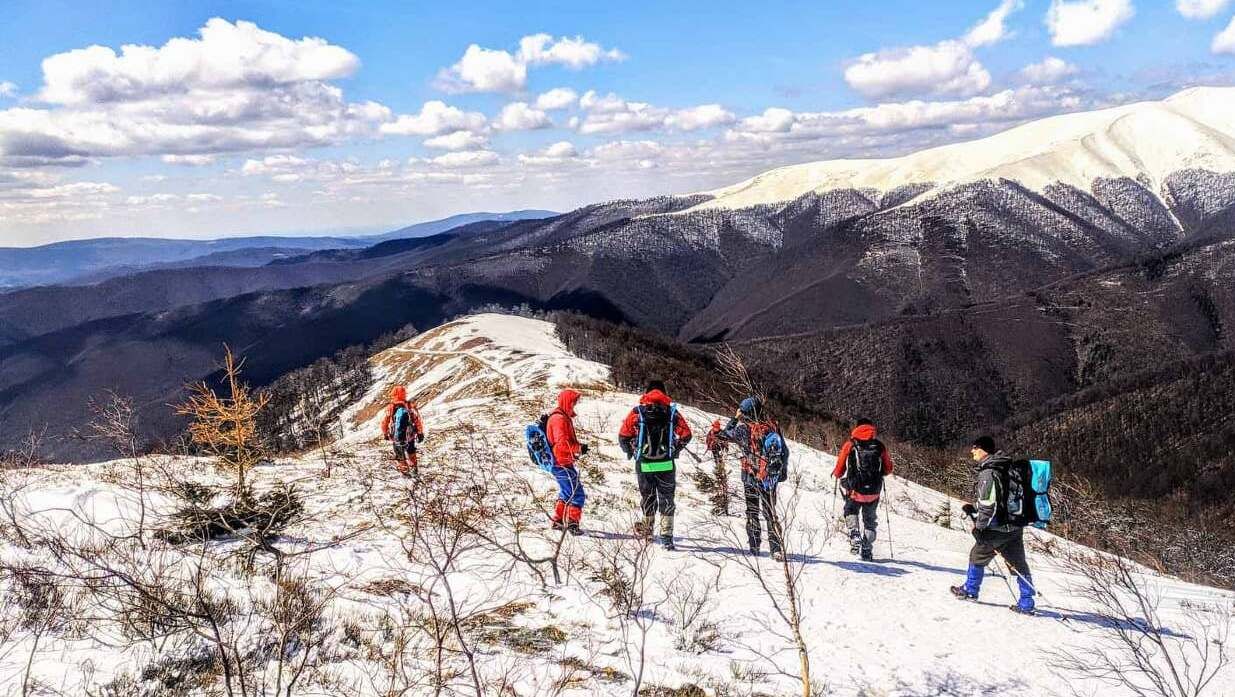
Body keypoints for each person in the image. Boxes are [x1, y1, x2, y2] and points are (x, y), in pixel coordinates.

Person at [950, 436, 1036, 615]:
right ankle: (1027, 602)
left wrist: (979, 527)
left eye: (975, 447)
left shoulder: (988, 473)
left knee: (976, 556)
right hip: (1015, 525)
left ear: (983, 450)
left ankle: (970, 590)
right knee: (1019, 564)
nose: (972, 451)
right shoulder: (1007, 466)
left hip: (996, 529)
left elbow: (988, 505)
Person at [618, 380, 692, 550]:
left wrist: (631, 452)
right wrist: (675, 451)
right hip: (666, 464)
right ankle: (666, 537)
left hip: (644, 464)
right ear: (664, 393)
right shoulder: (672, 412)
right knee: (667, 498)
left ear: (647, 392)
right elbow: (687, 434)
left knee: (648, 497)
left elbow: (623, 436)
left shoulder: (638, 412)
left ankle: (648, 531)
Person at [718, 396, 789, 561]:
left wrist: (735, 418)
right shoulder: (772, 427)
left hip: (749, 476)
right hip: (768, 479)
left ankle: (755, 546)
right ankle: (776, 549)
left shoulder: (743, 430)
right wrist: (781, 472)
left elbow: (723, 436)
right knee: (771, 514)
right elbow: (785, 452)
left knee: (752, 512)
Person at [831, 418, 893, 561]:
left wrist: (838, 474)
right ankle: (866, 550)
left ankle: (854, 533)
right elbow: (888, 469)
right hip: (874, 491)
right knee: (870, 520)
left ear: (857, 428)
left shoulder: (850, 444)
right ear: (871, 429)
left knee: (850, 511)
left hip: (855, 490)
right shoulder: (879, 446)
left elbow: (840, 467)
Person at [545, 389, 588, 535]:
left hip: (560, 462)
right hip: (561, 463)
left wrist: (577, 448)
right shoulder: (559, 419)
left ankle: (557, 521)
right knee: (577, 494)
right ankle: (572, 524)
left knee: (566, 492)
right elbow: (562, 444)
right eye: (573, 401)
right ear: (567, 401)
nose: (575, 404)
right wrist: (579, 448)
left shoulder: (562, 417)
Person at [381, 386, 424, 478]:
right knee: (411, 451)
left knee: (399, 455)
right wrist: (420, 433)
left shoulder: (390, 407)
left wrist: (385, 433)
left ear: (393, 395)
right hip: (410, 436)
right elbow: (417, 420)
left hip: (395, 437)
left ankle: (405, 473)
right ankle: (414, 470)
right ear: (404, 394)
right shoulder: (409, 406)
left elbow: (384, 421)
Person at [705, 419, 731, 515]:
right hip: (714, 451)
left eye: (716, 426)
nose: (715, 428)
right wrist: (709, 446)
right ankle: (718, 473)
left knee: (721, 465)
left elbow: (726, 442)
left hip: (721, 452)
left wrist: (725, 450)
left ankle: (721, 474)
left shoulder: (722, 433)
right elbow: (707, 441)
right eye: (714, 426)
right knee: (717, 463)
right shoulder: (710, 433)